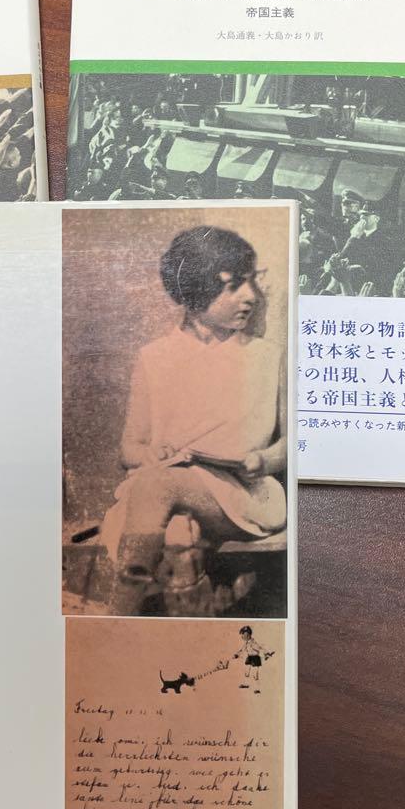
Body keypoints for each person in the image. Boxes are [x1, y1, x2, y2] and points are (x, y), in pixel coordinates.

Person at [98, 226, 287, 617]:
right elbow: (130, 449)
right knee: (175, 525)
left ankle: (119, 614)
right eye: (233, 286)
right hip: (168, 489)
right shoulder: (154, 358)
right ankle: (166, 615)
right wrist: (153, 454)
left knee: (156, 488)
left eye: (251, 282)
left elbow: (293, 443)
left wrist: (262, 460)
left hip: (242, 495)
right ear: (196, 292)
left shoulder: (269, 357)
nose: (251, 296)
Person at [233, 625, 273, 693]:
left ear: (248, 635)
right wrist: (237, 655)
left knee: (255, 675)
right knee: (246, 672)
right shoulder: (246, 643)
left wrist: (266, 653)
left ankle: (257, 689)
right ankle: (246, 684)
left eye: (244, 635)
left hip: (255, 659)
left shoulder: (253, 643)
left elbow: (260, 648)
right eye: (242, 635)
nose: (242, 637)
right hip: (249, 658)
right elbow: (242, 650)